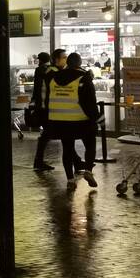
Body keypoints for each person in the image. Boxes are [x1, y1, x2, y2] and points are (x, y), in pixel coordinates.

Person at [45, 52, 99, 189]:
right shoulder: (83, 78)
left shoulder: (54, 77)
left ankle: (70, 180)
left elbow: (48, 99)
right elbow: (90, 102)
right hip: (80, 120)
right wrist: (97, 119)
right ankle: (88, 171)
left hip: (59, 120)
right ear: (79, 63)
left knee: (67, 149)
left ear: (68, 63)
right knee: (90, 144)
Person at [30, 51, 56, 171]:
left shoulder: (39, 70)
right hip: (46, 108)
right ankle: (38, 161)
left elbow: (36, 89)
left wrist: (33, 102)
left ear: (40, 60)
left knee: (48, 133)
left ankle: (38, 161)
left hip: (42, 107)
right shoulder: (49, 70)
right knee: (48, 133)